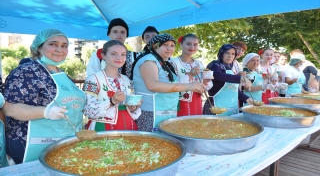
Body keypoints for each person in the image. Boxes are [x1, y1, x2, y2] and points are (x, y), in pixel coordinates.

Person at [2, 29, 107, 164]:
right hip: (31, 144)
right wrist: (46, 112)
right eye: (53, 44)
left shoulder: (62, 73)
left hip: (62, 142)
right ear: (39, 47)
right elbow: (9, 109)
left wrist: (95, 107)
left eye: (64, 46)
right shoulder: (26, 71)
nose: (59, 49)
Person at [131, 34, 206, 132]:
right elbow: (152, 85)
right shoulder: (148, 60)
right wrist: (188, 86)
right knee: (153, 144)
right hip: (151, 112)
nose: (169, 48)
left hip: (166, 111)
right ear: (155, 45)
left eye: (172, 45)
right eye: (165, 45)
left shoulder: (165, 62)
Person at [83, 40, 141, 131]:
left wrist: (134, 106)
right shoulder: (93, 79)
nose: (119, 57)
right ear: (103, 56)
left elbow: (129, 106)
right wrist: (112, 101)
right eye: (114, 54)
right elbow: (88, 110)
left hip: (128, 124)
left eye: (123, 54)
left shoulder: (126, 80)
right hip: (103, 125)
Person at [204, 44, 253, 116]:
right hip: (216, 106)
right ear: (221, 53)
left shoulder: (230, 68)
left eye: (233, 54)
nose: (230, 56)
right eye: (227, 53)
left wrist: (247, 99)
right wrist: (240, 78)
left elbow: (232, 89)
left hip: (232, 106)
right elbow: (219, 76)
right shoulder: (214, 65)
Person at [170, 34, 213, 116]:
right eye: (188, 44)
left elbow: (205, 85)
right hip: (180, 101)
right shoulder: (173, 63)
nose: (192, 47)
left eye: (195, 44)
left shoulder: (199, 63)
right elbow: (171, 83)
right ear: (181, 44)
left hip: (197, 100)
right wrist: (190, 75)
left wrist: (206, 81)